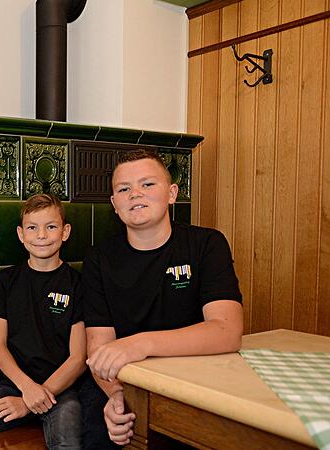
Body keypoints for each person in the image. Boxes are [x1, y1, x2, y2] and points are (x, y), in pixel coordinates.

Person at [82, 149, 243, 446]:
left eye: (147, 184)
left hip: (193, 382)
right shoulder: (98, 259)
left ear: (171, 194)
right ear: (114, 204)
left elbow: (227, 331)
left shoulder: (207, 244)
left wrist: (139, 344)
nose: (135, 194)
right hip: (122, 384)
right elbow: (99, 349)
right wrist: (118, 397)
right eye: (124, 189)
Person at [0, 193, 86, 450]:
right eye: (32, 228)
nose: (42, 235)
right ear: (21, 234)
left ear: (65, 232)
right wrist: (26, 390)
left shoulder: (77, 285)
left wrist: (36, 396)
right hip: (14, 385)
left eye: (51, 226)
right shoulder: (6, 282)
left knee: (68, 444)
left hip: (61, 390)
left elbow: (78, 359)